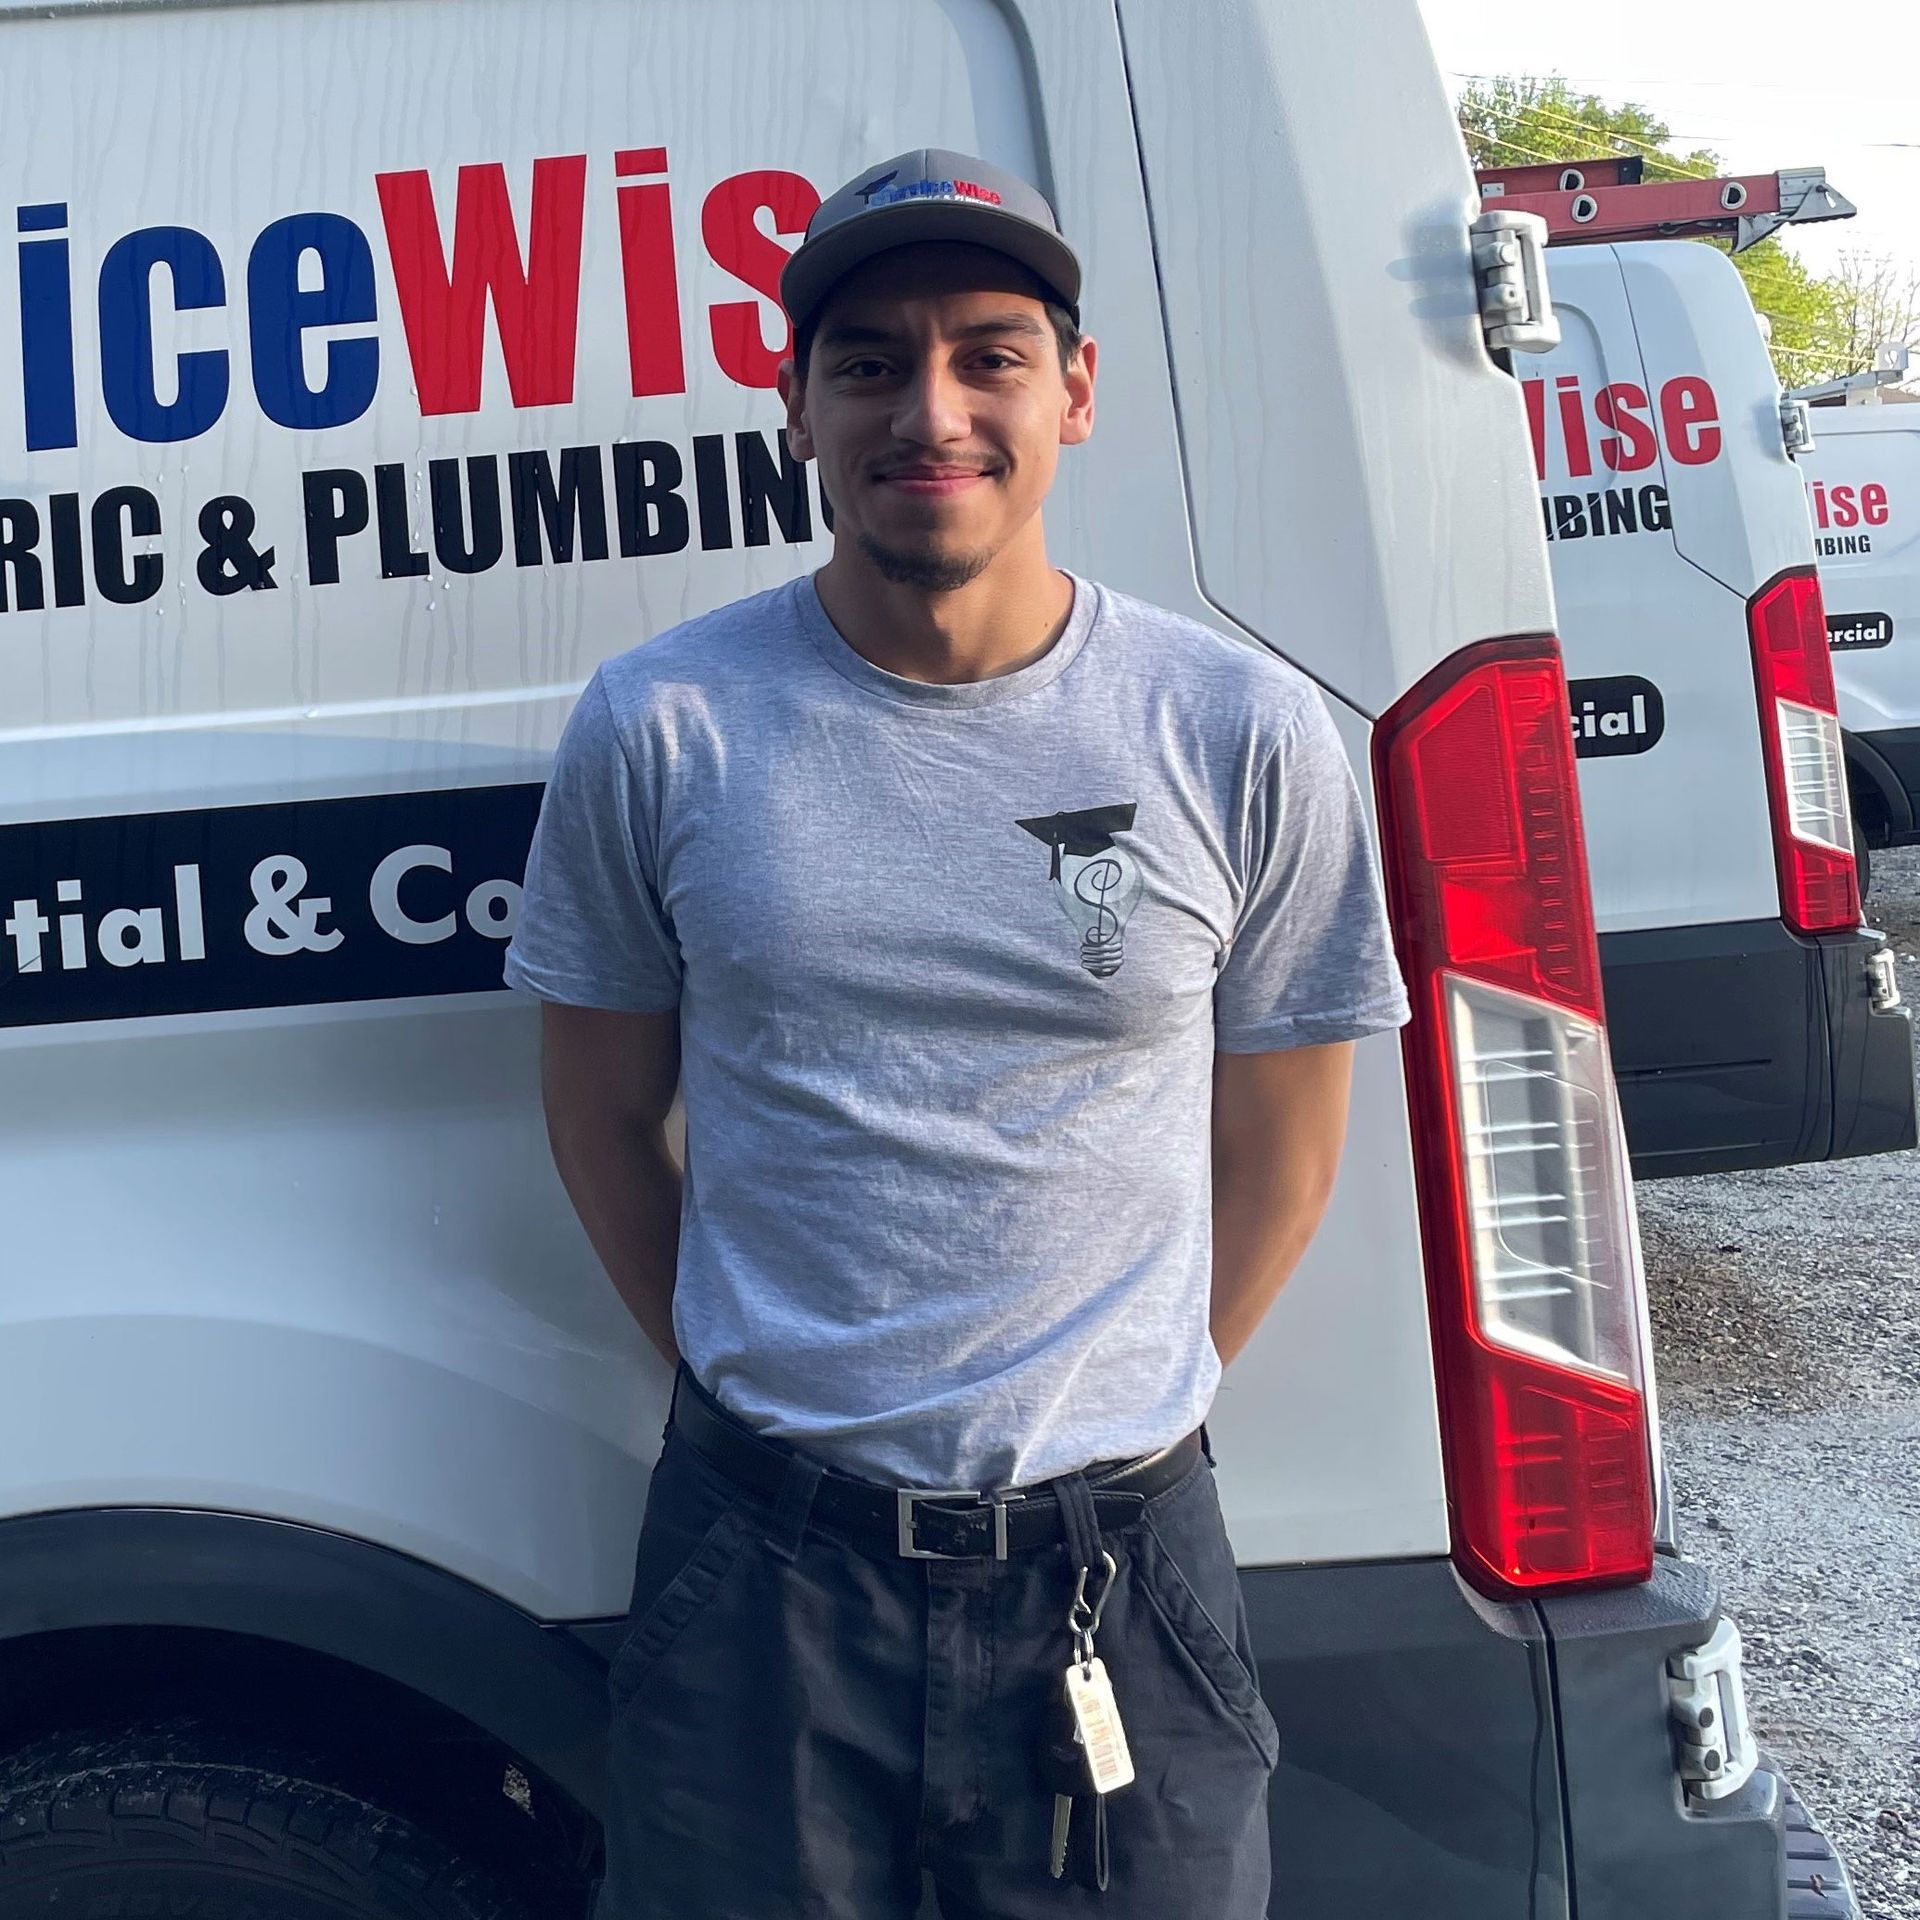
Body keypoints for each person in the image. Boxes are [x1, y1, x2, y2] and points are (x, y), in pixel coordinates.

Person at [503, 147, 1410, 1920]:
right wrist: (751, 1387)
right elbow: (605, 1121)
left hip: (1122, 1577)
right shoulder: (663, 726)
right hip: (764, 1570)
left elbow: (1288, 1147)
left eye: (989, 354)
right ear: (796, 410)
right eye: (869, 363)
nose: (932, 409)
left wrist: (1115, 1401)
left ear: (1075, 391)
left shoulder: (1239, 732)